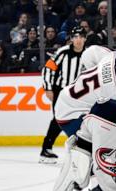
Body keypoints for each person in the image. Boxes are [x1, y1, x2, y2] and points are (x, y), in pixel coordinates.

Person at [54, 44, 116, 138]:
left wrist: (97, 74)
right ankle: (80, 149)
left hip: (67, 97)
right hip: (70, 115)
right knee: (106, 145)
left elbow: (88, 53)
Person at [39, 26, 87, 164]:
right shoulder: (63, 52)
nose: (78, 40)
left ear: (85, 38)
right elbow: (49, 68)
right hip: (61, 91)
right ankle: (46, 149)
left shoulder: (88, 55)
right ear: (71, 39)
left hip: (79, 94)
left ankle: (79, 148)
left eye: (80, 37)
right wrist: (48, 88)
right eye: (75, 37)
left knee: (82, 120)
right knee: (58, 120)